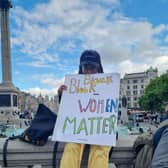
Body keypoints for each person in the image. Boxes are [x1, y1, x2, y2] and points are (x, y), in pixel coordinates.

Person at [57, 50, 111, 168]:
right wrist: (62, 96)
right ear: (81, 68)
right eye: (86, 67)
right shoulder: (73, 86)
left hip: (100, 128)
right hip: (78, 128)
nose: (89, 71)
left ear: (99, 69)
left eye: (93, 68)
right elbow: (68, 111)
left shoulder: (109, 85)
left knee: (100, 149)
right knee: (71, 146)